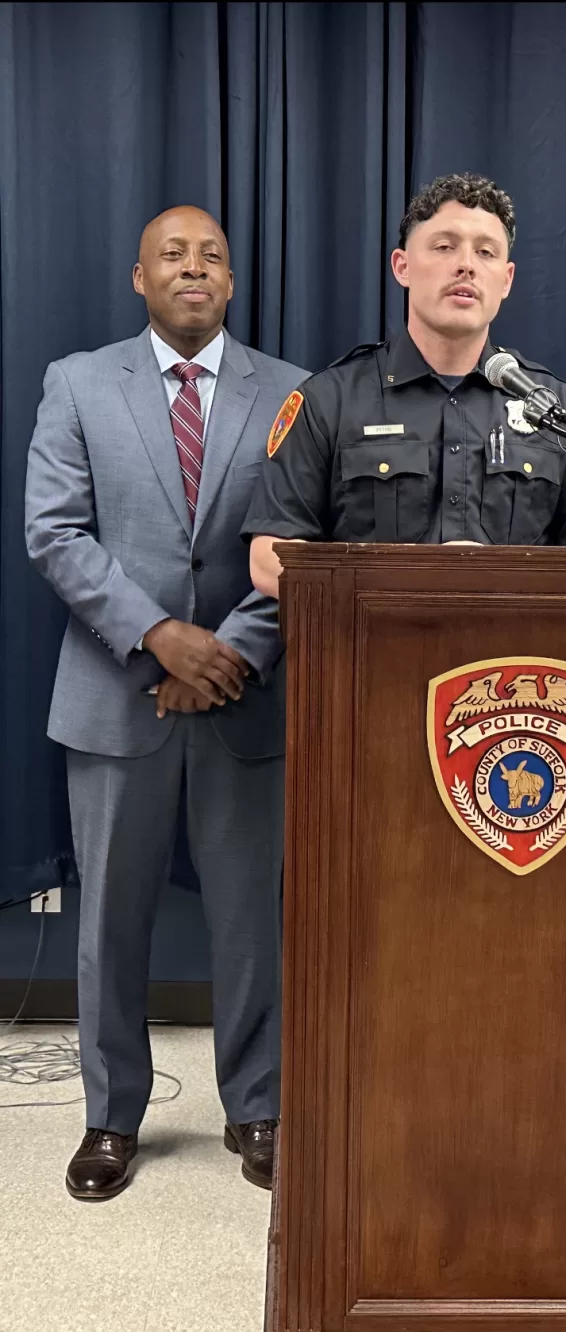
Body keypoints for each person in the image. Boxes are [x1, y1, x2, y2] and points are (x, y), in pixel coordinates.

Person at [24, 206, 307, 1200]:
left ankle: (257, 1106)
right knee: (110, 917)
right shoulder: (77, 382)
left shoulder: (292, 395)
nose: (195, 268)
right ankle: (110, 1117)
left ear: (231, 281)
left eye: (213, 256)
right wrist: (159, 638)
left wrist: (226, 653)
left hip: (245, 697)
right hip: (115, 696)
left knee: (252, 923)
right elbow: (54, 534)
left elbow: (304, 548)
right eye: (173, 255)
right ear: (139, 278)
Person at [243, 172, 566, 592]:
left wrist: (496, 584)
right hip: (370, 649)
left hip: (512, 652)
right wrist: (411, 584)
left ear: (507, 280)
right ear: (402, 267)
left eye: (486, 252)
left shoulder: (557, 410)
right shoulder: (328, 401)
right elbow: (268, 559)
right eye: (445, 247)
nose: (466, 264)